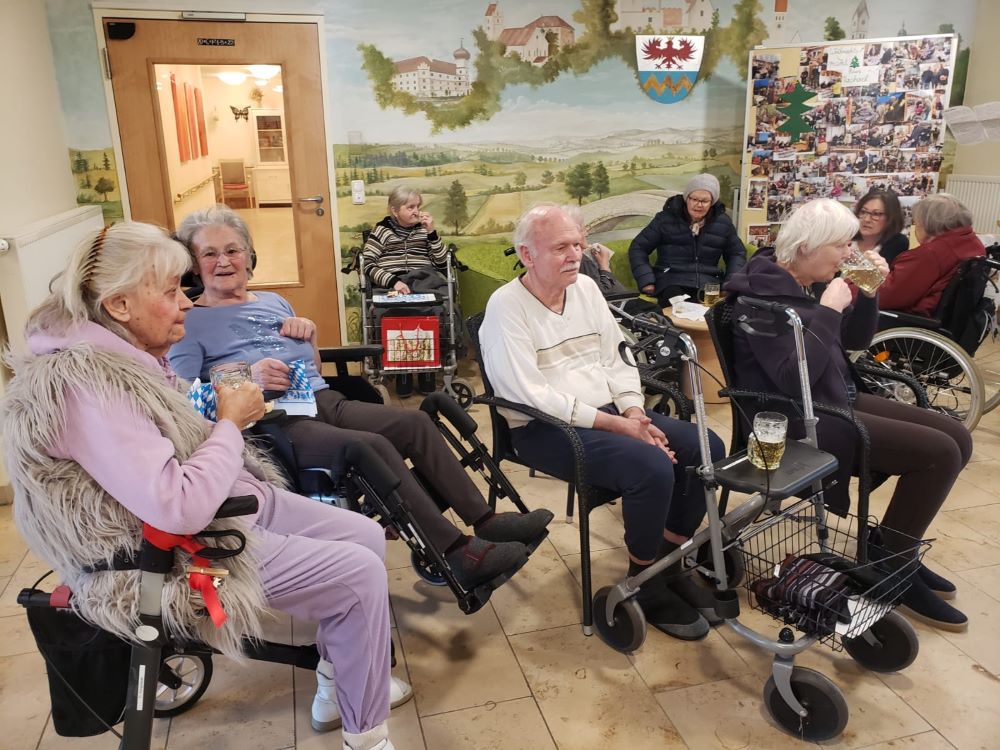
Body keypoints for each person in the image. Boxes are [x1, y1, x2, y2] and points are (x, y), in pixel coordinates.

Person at [1, 222, 413, 750]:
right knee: (357, 574)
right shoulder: (86, 384)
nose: (186, 304)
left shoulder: (121, 351)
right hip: (164, 557)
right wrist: (230, 424)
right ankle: (368, 739)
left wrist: (223, 413)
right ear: (121, 304)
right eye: (171, 291)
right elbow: (178, 507)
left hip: (218, 507)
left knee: (365, 537)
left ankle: (336, 688)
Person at [169, 205, 553, 594]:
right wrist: (245, 378)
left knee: (415, 423)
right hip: (273, 425)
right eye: (210, 254)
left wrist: (311, 336)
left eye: (232, 250)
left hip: (323, 399)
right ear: (194, 265)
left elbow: (313, 367)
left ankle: (486, 520)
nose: (224, 262)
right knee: (368, 446)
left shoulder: (274, 302)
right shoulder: (189, 322)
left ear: (249, 256)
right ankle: (456, 551)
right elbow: (183, 395)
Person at [480, 204, 726, 641]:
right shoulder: (506, 307)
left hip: (607, 413)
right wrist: (619, 427)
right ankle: (643, 579)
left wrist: (633, 411)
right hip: (543, 429)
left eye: (577, 244)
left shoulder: (588, 291)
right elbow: (528, 395)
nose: (575, 254)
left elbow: (618, 358)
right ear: (527, 254)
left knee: (705, 446)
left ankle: (668, 562)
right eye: (560, 247)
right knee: (651, 466)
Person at [724, 199, 972, 631]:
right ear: (805, 247)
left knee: (958, 436)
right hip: (799, 418)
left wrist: (868, 293)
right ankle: (893, 566)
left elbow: (855, 341)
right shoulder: (758, 298)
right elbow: (789, 380)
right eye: (839, 245)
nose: (846, 254)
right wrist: (829, 310)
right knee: (940, 453)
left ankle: (894, 548)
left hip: (833, 395)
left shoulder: (801, 282)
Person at [362, 186, 449, 396]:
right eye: (410, 207)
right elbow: (368, 265)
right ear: (395, 210)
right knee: (392, 311)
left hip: (424, 279)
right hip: (393, 283)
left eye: (418, 206)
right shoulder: (381, 231)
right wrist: (393, 281)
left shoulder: (424, 229)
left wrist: (432, 233)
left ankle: (428, 370)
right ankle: (402, 373)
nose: (416, 211)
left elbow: (441, 263)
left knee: (438, 308)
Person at [629, 174, 747, 308]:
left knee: (715, 316)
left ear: (712, 202)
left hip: (709, 282)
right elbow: (638, 247)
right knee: (680, 311)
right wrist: (646, 280)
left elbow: (737, 253)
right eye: (694, 199)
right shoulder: (665, 219)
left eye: (705, 201)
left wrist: (730, 283)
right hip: (672, 280)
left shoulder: (723, 222)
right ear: (686, 198)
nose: (698, 205)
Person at [878, 193, 986, 316]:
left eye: (916, 223)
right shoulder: (972, 242)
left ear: (927, 224)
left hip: (908, 320)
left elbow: (887, 295)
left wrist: (851, 286)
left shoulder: (931, 254)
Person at [854, 189, 909, 266]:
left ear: (891, 218)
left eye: (876, 214)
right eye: (863, 212)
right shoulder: (845, 238)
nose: (866, 219)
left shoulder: (898, 244)